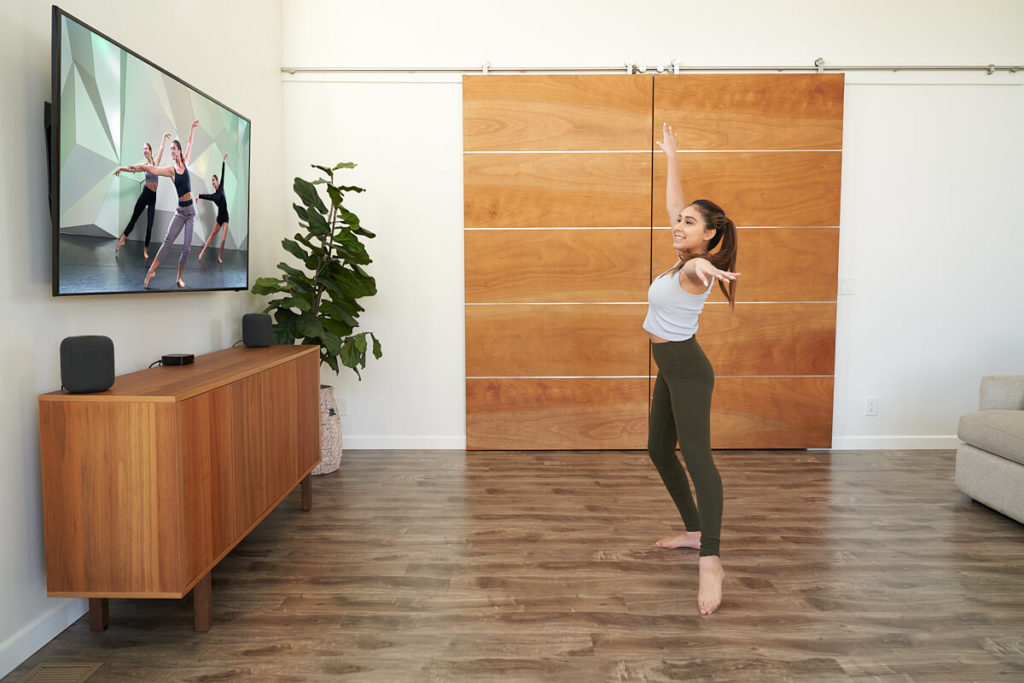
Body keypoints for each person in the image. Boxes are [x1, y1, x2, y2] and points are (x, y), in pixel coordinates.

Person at [645, 122, 739, 616]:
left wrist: (711, 268)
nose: (678, 225)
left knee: (698, 458)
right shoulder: (680, 254)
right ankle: (694, 529)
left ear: (710, 236)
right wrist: (673, 155)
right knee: (659, 449)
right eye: (678, 221)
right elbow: (673, 202)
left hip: (686, 368)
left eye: (689, 223)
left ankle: (712, 559)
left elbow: (699, 271)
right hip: (673, 363)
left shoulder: (693, 267)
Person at [115, 120, 199, 289]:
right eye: (170, 150)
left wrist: (191, 129)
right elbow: (152, 169)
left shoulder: (185, 162)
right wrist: (132, 167)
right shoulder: (170, 170)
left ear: (179, 150)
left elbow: (190, 143)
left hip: (190, 212)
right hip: (180, 211)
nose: (171, 151)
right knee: (167, 242)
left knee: (186, 249)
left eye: (173, 148)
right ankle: (151, 271)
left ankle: (179, 277)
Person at [115, 133, 170, 259]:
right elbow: (131, 168)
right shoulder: (144, 167)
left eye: (146, 148)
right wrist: (120, 169)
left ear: (150, 151)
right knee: (134, 218)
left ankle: (145, 250)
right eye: (143, 149)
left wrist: (163, 137)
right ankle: (122, 240)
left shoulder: (156, 163)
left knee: (150, 226)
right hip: (145, 194)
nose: (144, 151)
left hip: (153, 197)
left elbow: (161, 149)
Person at [197, 153, 230, 263]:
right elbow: (206, 196)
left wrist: (223, 161)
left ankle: (220, 256)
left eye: (214, 180)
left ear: (217, 181)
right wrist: (199, 196)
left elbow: (223, 174)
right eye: (211, 180)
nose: (212, 182)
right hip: (220, 218)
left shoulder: (221, 188)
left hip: (226, 217)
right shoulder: (214, 196)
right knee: (212, 235)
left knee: (224, 239)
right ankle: (202, 252)